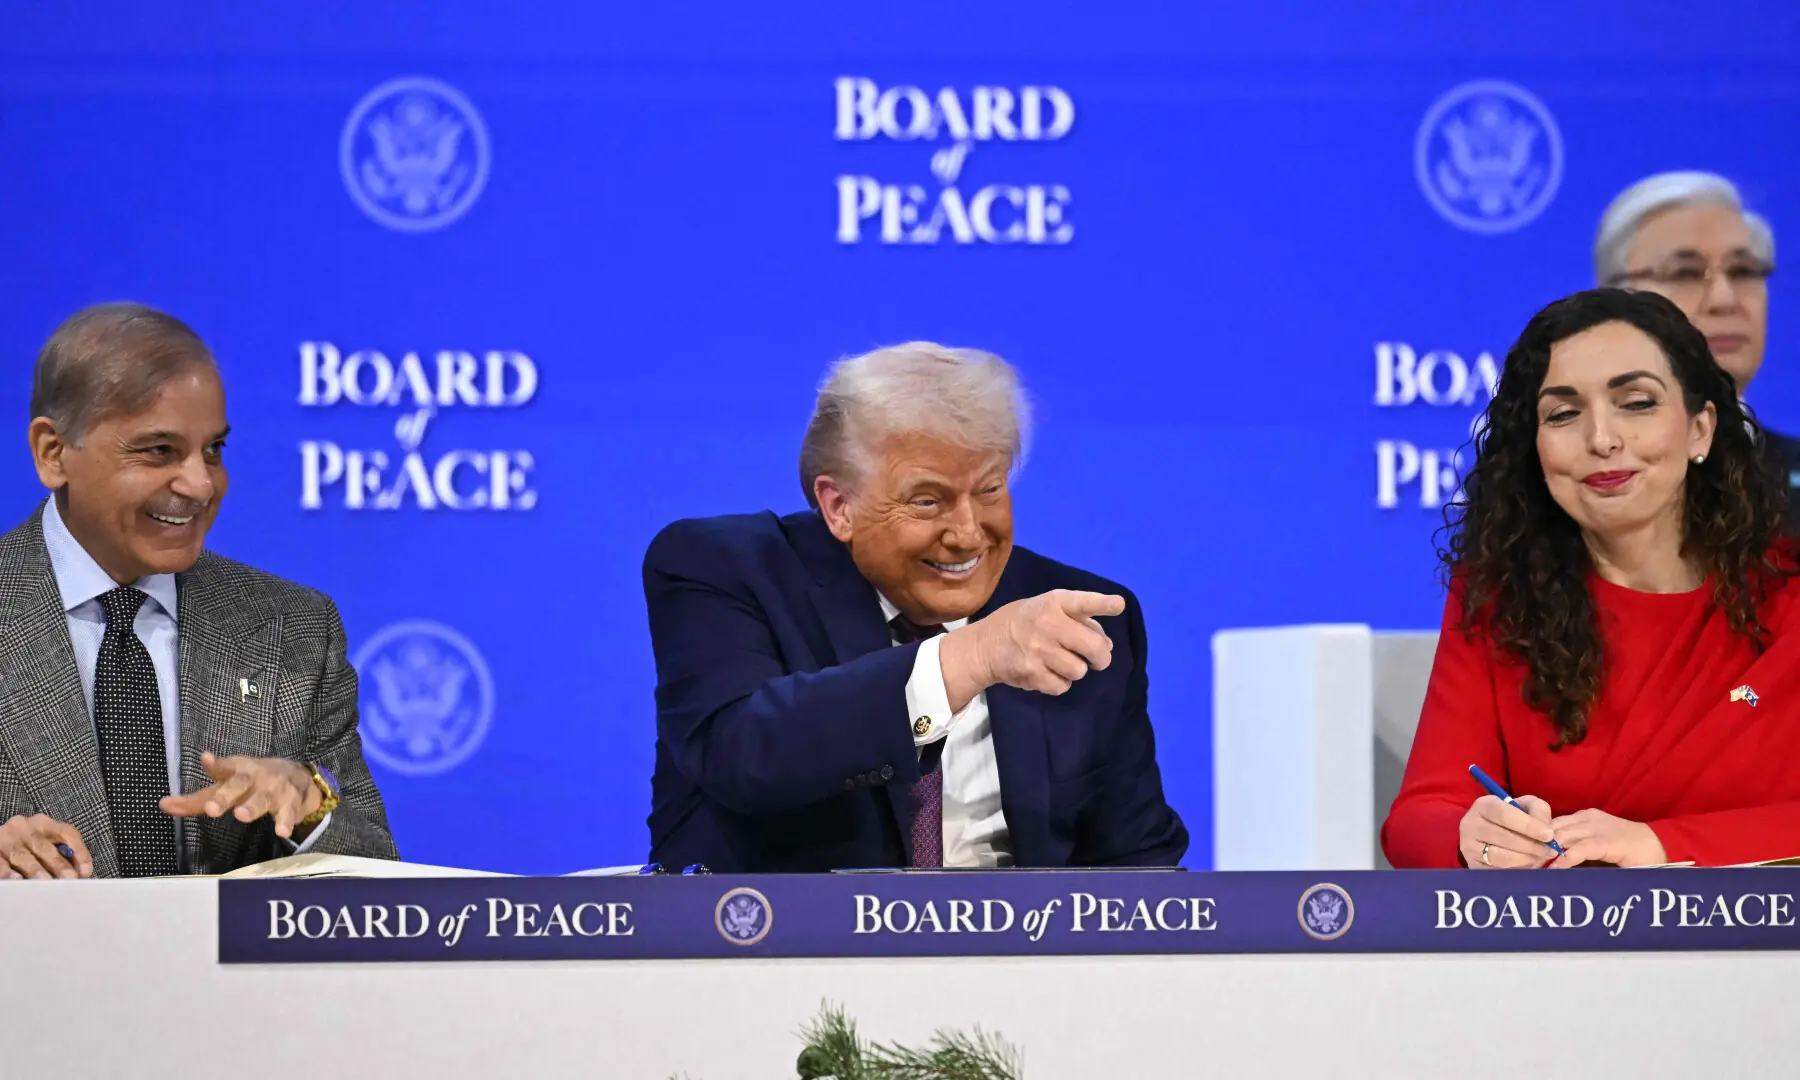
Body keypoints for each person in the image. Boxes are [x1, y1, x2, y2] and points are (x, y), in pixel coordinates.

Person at [643, 342, 1187, 872]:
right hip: (781, 951)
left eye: (991, 490)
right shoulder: (724, 568)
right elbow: (741, 753)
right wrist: (969, 658)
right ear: (839, 507)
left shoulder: (1067, 614)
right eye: (928, 500)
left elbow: (1134, 862)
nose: (969, 535)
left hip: (1019, 954)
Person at [1383, 288, 1800, 869]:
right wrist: (1469, 834)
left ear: (1701, 429)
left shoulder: (1789, 597)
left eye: (1636, 402)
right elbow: (1418, 818)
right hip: (1563, 954)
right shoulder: (1502, 600)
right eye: (1563, 413)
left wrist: (1659, 846)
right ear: (1536, 448)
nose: (1602, 439)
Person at [0, 303, 397, 879]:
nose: (200, 484)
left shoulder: (293, 628)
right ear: (52, 453)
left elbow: (382, 878)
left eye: (213, 449)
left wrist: (309, 807)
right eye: (159, 450)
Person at [1594, 171, 1789, 519]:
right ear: (1614, 299)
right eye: (1685, 273)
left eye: (1743, 271)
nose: (1724, 299)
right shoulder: (1557, 479)